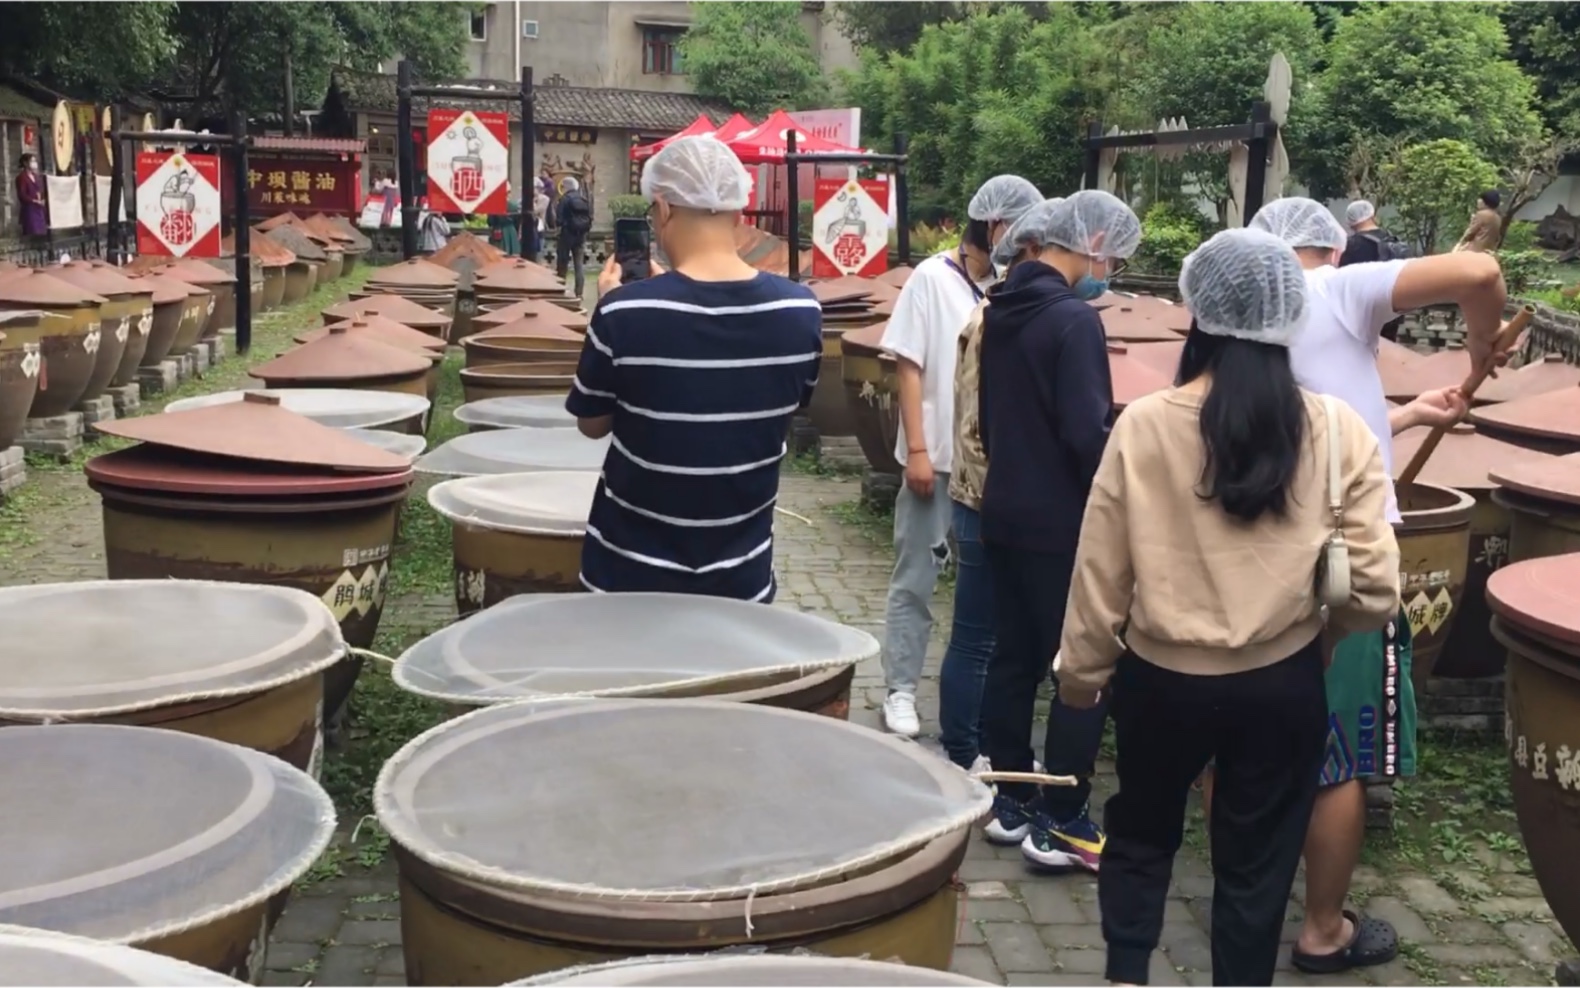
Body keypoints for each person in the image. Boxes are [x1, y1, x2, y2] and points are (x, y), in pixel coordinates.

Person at [1057, 227, 1401, 987]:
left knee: (1142, 835)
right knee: (1256, 864)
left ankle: (1123, 974)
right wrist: (1323, 638)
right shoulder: (1338, 430)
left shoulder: (1145, 424)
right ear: (1289, 317)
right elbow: (1376, 586)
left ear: (1198, 311)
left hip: (1159, 679)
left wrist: (1081, 679)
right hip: (1280, 684)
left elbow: (1100, 573)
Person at [1249, 196, 1507, 976]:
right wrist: (1482, 345)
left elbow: (1306, 432)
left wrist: (1403, 414)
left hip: (1256, 559)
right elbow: (1481, 268)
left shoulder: (1240, 315)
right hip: (1341, 568)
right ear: (1332, 248)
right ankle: (1323, 928)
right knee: (1334, 758)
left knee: (1251, 741)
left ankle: (1247, 903)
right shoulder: (1334, 290)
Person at [564, 136, 821, 601]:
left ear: (661, 209)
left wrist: (617, 306)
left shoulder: (624, 313)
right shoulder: (800, 310)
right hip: (741, 581)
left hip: (626, 580)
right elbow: (780, 407)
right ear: (739, 210)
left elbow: (592, 424)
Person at [974, 189, 1140, 871]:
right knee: (1082, 666)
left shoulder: (1004, 309)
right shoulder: (1072, 320)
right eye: (1114, 255)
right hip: (1060, 520)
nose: (1113, 269)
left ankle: (1010, 798)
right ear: (1092, 243)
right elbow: (1086, 432)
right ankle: (1063, 821)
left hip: (1004, 506)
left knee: (1012, 656)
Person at [876, 174, 1043, 738]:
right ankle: (899, 689)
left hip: (991, 470)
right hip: (939, 458)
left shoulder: (1011, 285)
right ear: (996, 226)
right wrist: (918, 450)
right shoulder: (932, 278)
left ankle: (971, 710)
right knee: (916, 578)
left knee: (978, 600)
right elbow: (908, 364)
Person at [940, 195, 1061, 770]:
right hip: (989, 499)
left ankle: (975, 746)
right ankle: (966, 751)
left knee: (985, 636)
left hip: (980, 495)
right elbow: (984, 426)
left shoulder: (997, 308)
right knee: (979, 637)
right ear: (1033, 249)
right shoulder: (1002, 317)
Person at [1340, 201, 1410, 341]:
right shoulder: (1393, 240)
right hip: (1391, 309)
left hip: (1362, 313)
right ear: (1372, 215)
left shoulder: (1349, 246)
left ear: (1350, 222)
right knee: (1388, 352)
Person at [556, 176, 593, 298]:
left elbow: (559, 220)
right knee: (579, 265)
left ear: (566, 186)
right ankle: (579, 292)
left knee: (562, 263)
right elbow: (590, 216)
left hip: (567, 235)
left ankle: (560, 289)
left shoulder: (565, 199)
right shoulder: (583, 199)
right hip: (581, 235)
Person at [1453, 189, 1503, 253]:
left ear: (1484, 202)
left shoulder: (1481, 214)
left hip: (1475, 249)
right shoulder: (1497, 217)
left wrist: (1472, 222)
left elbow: (1470, 233)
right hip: (1489, 250)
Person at [15, 153, 46, 237]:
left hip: (38, 209)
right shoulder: (22, 177)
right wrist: (34, 200)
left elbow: (39, 190)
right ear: (25, 163)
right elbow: (22, 194)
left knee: (41, 233)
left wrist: (41, 199)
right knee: (32, 233)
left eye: (35, 161)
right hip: (29, 210)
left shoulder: (35, 176)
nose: (34, 163)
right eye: (32, 161)